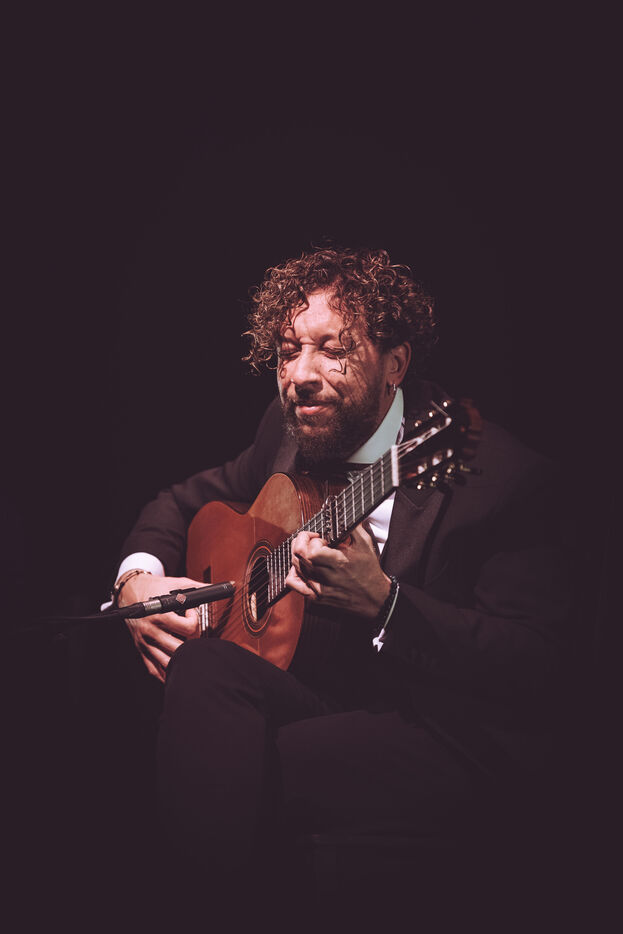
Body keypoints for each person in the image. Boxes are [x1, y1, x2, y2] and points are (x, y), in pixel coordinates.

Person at [112, 246, 574, 922]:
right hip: (325, 690)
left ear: (396, 364)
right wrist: (136, 583)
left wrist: (386, 606)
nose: (301, 375)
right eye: (287, 352)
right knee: (200, 668)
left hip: (440, 725)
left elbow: (542, 663)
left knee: (224, 761)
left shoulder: (500, 480)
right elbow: (181, 502)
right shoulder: (291, 430)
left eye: (333, 351)